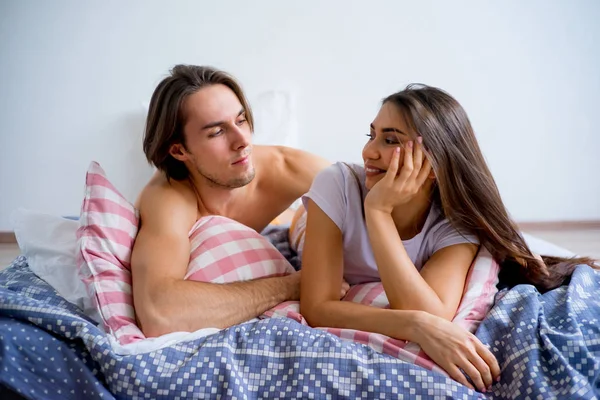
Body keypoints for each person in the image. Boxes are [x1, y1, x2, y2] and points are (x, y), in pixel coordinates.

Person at [295, 84, 597, 391]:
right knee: (290, 203)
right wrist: (416, 326)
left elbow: (431, 310)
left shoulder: (454, 225)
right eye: (371, 135)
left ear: (433, 162)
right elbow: (317, 307)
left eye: (389, 140)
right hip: (308, 225)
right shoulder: (338, 183)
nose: (368, 151)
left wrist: (379, 213)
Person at [130, 64, 332, 338]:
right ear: (179, 150)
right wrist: (292, 285)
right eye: (217, 132)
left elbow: (373, 204)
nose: (242, 141)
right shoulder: (168, 198)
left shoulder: (287, 169)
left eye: (241, 120)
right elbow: (159, 314)